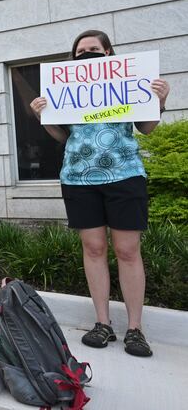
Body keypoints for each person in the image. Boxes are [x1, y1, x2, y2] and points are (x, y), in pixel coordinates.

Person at [30, 30, 170, 357]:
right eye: (81, 51)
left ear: (109, 53)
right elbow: (63, 136)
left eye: (94, 49)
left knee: (127, 250)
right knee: (93, 249)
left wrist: (159, 102)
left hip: (125, 175)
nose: (87, 54)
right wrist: (43, 116)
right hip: (79, 178)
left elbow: (146, 127)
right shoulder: (66, 89)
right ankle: (102, 323)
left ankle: (135, 329)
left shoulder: (127, 82)